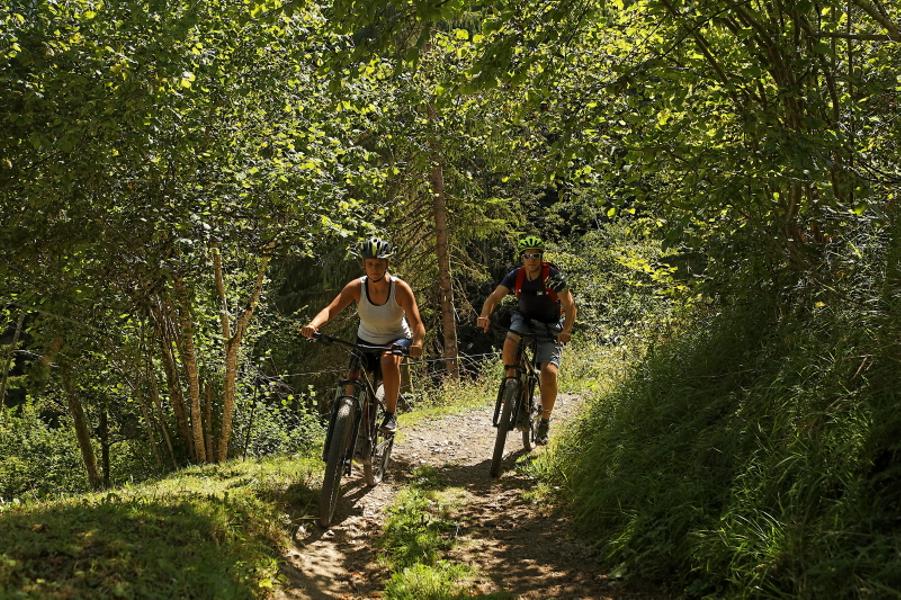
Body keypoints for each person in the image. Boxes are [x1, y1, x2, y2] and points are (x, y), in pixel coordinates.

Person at [301, 237, 425, 433]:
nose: (374, 269)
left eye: (379, 264)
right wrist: (313, 325)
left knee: (388, 360)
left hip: (395, 339)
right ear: (364, 265)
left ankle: (390, 414)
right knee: (351, 383)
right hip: (365, 341)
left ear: (387, 264)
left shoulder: (399, 288)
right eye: (370, 264)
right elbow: (330, 310)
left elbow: (417, 324)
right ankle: (347, 431)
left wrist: (416, 342)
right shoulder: (356, 287)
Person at [476, 235, 576, 445]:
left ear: (541, 257)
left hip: (549, 327)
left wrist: (566, 330)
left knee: (549, 373)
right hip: (524, 320)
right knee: (511, 340)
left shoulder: (553, 276)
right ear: (522, 258)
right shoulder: (516, 276)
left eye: (536, 256)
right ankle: (512, 384)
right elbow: (494, 298)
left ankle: (545, 422)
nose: (532, 259)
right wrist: (485, 315)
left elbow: (569, 306)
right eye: (527, 256)